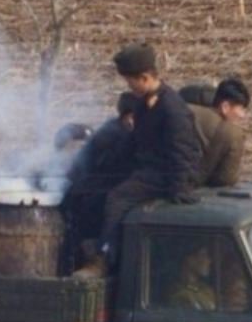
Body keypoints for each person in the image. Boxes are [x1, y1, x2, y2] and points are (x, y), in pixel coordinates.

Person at [74, 43, 203, 278]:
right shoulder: (144, 103)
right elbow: (134, 142)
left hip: (163, 174)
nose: (129, 87)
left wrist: (179, 188)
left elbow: (183, 152)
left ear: (144, 78)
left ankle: (104, 257)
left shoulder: (173, 108)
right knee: (96, 191)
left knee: (117, 199)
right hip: (145, 169)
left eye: (130, 81)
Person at [60, 92, 141, 267]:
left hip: (86, 194)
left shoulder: (113, 129)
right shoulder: (117, 136)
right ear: (130, 116)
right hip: (89, 198)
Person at [191, 77, 249, 187]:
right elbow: (226, 179)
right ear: (225, 107)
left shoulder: (183, 111)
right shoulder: (232, 134)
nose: (243, 115)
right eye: (241, 109)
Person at [168, 245, 217, 311]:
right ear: (190, 259)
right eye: (203, 255)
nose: (209, 261)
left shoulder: (206, 290)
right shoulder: (176, 292)